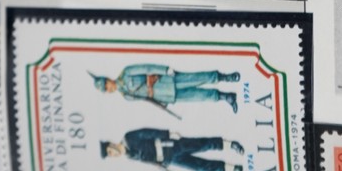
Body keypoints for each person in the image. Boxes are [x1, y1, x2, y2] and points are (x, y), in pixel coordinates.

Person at [100, 129, 244, 171]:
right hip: (169, 159)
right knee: (200, 168)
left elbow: (148, 132)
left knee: (201, 145)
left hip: (171, 146)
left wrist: (168, 134)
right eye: (110, 156)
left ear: (111, 144)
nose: (113, 155)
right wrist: (160, 164)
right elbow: (148, 158)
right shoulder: (129, 156)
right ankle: (234, 169)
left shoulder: (128, 138)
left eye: (110, 152)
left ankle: (231, 145)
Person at [90, 63, 240, 111]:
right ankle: (226, 97)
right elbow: (146, 99)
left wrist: (164, 70)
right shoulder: (126, 96)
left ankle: (225, 77)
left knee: (195, 78)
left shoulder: (126, 72)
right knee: (197, 96)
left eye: (106, 86)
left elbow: (147, 68)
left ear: (108, 80)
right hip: (165, 95)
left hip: (166, 81)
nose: (109, 90)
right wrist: (160, 102)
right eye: (106, 90)